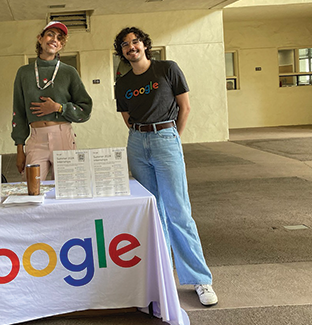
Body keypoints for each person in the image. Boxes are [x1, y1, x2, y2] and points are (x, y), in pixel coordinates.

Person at [113, 27, 218, 307]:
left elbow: (185, 107)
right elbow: (127, 117)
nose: (131, 47)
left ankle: (199, 278)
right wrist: (145, 135)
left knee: (178, 210)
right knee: (152, 211)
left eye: (135, 42)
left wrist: (171, 138)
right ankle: (162, 277)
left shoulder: (167, 69)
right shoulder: (121, 83)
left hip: (165, 138)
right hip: (137, 142)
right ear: (121, 52)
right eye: (125, 45)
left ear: (145, 45)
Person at [11, 21, 92, 180]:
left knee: (67, 188)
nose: (54, 39)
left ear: (61, 45)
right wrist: (20, 150)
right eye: (50, 34)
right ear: (40, 38)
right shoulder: (24, 73)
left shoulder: (68, 72)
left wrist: (59, 108)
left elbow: (85, 110)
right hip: (36, 138)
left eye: (59, 38)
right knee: (31, 188)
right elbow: (18, 112)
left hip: (62, 135)